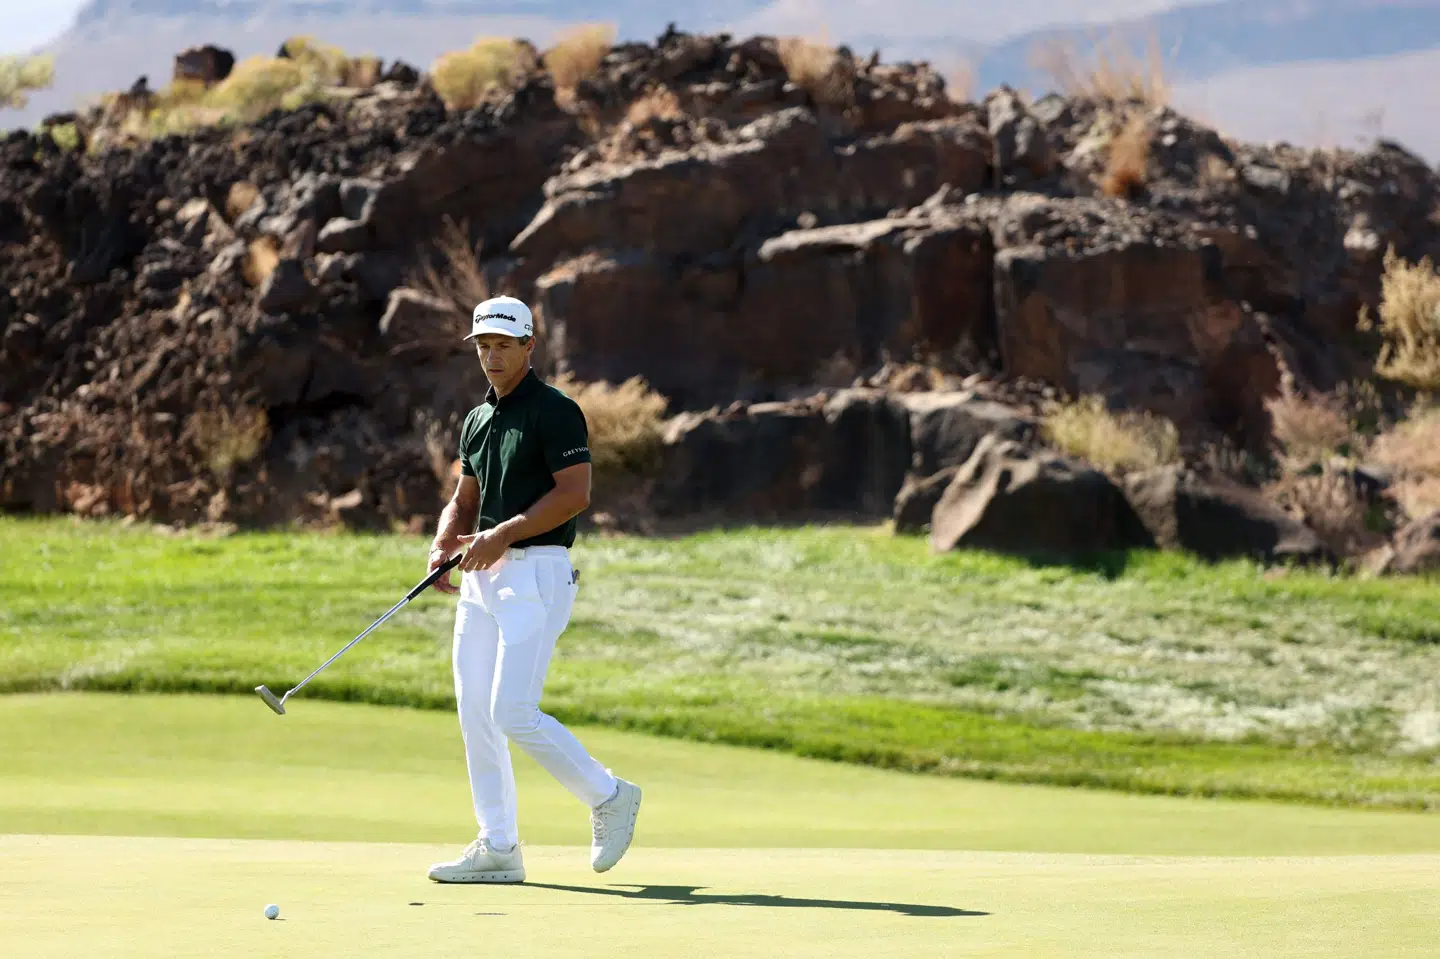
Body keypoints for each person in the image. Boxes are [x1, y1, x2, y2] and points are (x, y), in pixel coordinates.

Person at [424, 294, 642, 884]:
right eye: (483, 347)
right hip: (482, 578)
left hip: (537, 569)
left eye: (503, 346)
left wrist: (501, 535)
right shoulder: (477, 419)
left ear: (528, 346)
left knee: (512, 709)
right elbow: (464, 498)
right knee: (476, 714)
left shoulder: (556, 411)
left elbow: (575, 494)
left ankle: (609, 795)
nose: (492, 358)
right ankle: (498, 845)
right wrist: (446, 542)